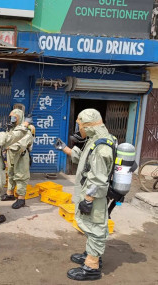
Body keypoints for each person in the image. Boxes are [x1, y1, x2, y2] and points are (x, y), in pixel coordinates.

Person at [54, 109, 115, 281]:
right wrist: (66, 149)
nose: (78, 128)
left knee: (95, 228)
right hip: (89, 193)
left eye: (79, 125)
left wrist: (88, 200)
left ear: (88, 126)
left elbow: (98, 178)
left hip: (93, 196)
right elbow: (86, 161)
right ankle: (91, 253)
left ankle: (92, 267)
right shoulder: (95, 140)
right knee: (89, 225)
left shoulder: (102, 146)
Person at [1, 109, 35, 209]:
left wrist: (7, 146)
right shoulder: (11, 128)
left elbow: (21, 145)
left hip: (21, 156)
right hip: (10, 155)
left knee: (21, 176)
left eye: (14, 117)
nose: (11, 119)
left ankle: (21, 199)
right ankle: (10, 194)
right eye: (10, 116)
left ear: (19, 117)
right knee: (10, 174)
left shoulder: (28, 129)